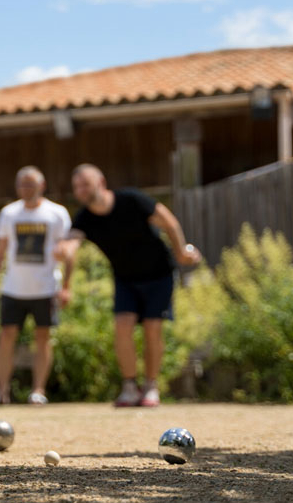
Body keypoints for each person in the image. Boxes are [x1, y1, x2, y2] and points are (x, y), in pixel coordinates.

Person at [56, 164, 201, 407]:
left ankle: (151, 387)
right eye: (76, 187)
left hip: (159, 274)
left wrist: (180, 252)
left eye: (85, 184)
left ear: (100, 181)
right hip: (125, 278)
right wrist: (64, 255)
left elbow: (169, 222)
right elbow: (72, 244)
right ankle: (130, 387)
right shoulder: (84, 218)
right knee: (122, 326)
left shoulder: (131, 199)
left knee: (152, 328)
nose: (80, 190)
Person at [0, 166, 73, 405]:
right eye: (22, 184)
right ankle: (1, 392)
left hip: (45, 288)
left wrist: (66, 286)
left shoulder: (57, 213)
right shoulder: (8, 213)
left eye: (30, 184)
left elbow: (69, 252)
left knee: (43, 338)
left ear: (42, 186)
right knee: (6, 336)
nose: (26, 189)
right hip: (13, 287)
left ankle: (38, 391)